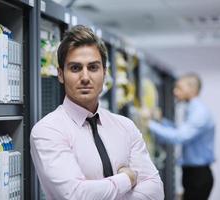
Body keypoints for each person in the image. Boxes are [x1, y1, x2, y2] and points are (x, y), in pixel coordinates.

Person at [30, 25, 164, 200]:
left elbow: (155, 191)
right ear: (61, 75)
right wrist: (128, 178)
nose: (85, 77)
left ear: (104, 73)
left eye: (93, 67)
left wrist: (98, 191)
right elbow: (75, 195)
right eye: (75, 68)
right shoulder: (48, 131)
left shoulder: (125, 126)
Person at [148, 73, 215, 200]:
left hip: (198, 176)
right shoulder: (192, 109)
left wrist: (148, 123)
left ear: (192, 89)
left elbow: (180, 137)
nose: (175, 91)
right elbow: (179, 130)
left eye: (179, 88)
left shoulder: (200, 113)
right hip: (192, 174)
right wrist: (161, 121)